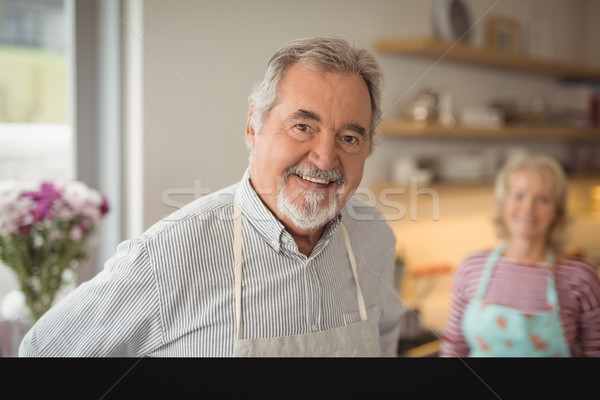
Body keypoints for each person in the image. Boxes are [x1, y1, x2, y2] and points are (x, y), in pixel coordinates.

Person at [18, 36, 404, 357]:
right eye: (303, 126)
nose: (324, 157)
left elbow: (385, 342)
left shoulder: (375, 239)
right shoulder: (166, 257)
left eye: (349, 137)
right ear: (253, 127)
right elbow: (40, 352)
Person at [439, 154, 600, 357]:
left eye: (543, 199)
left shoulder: (580, 276)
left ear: (557, 210)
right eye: (518, 196)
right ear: (503, 203)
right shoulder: (472, 268)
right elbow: (454, 348)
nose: (528, 208)